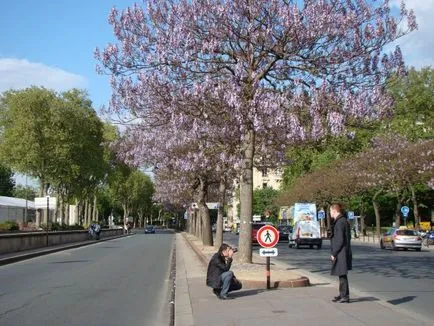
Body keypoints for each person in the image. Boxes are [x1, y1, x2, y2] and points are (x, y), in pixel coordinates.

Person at [330, 203, 352, 303]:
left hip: (341, 252)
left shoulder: (339, 222)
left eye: (330, 211)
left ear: (334, 211)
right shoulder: (343, 221)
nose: (330, 213)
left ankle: (345, 296)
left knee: (342, 274)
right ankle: (342, 294)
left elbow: (340, 240)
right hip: (344, 251)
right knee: (341, 273)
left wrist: (334, 253)